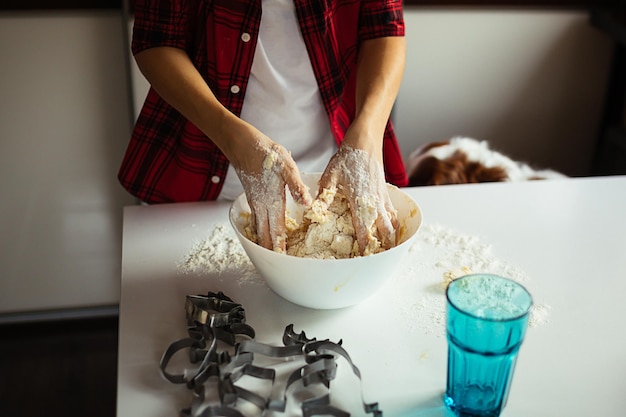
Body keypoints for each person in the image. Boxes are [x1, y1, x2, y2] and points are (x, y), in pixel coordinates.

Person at [118, 0, 408, 254]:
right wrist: (232, 138)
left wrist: (367, 135)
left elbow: (384, 26)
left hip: (331, 171)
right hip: (199, 179)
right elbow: (155, 42)